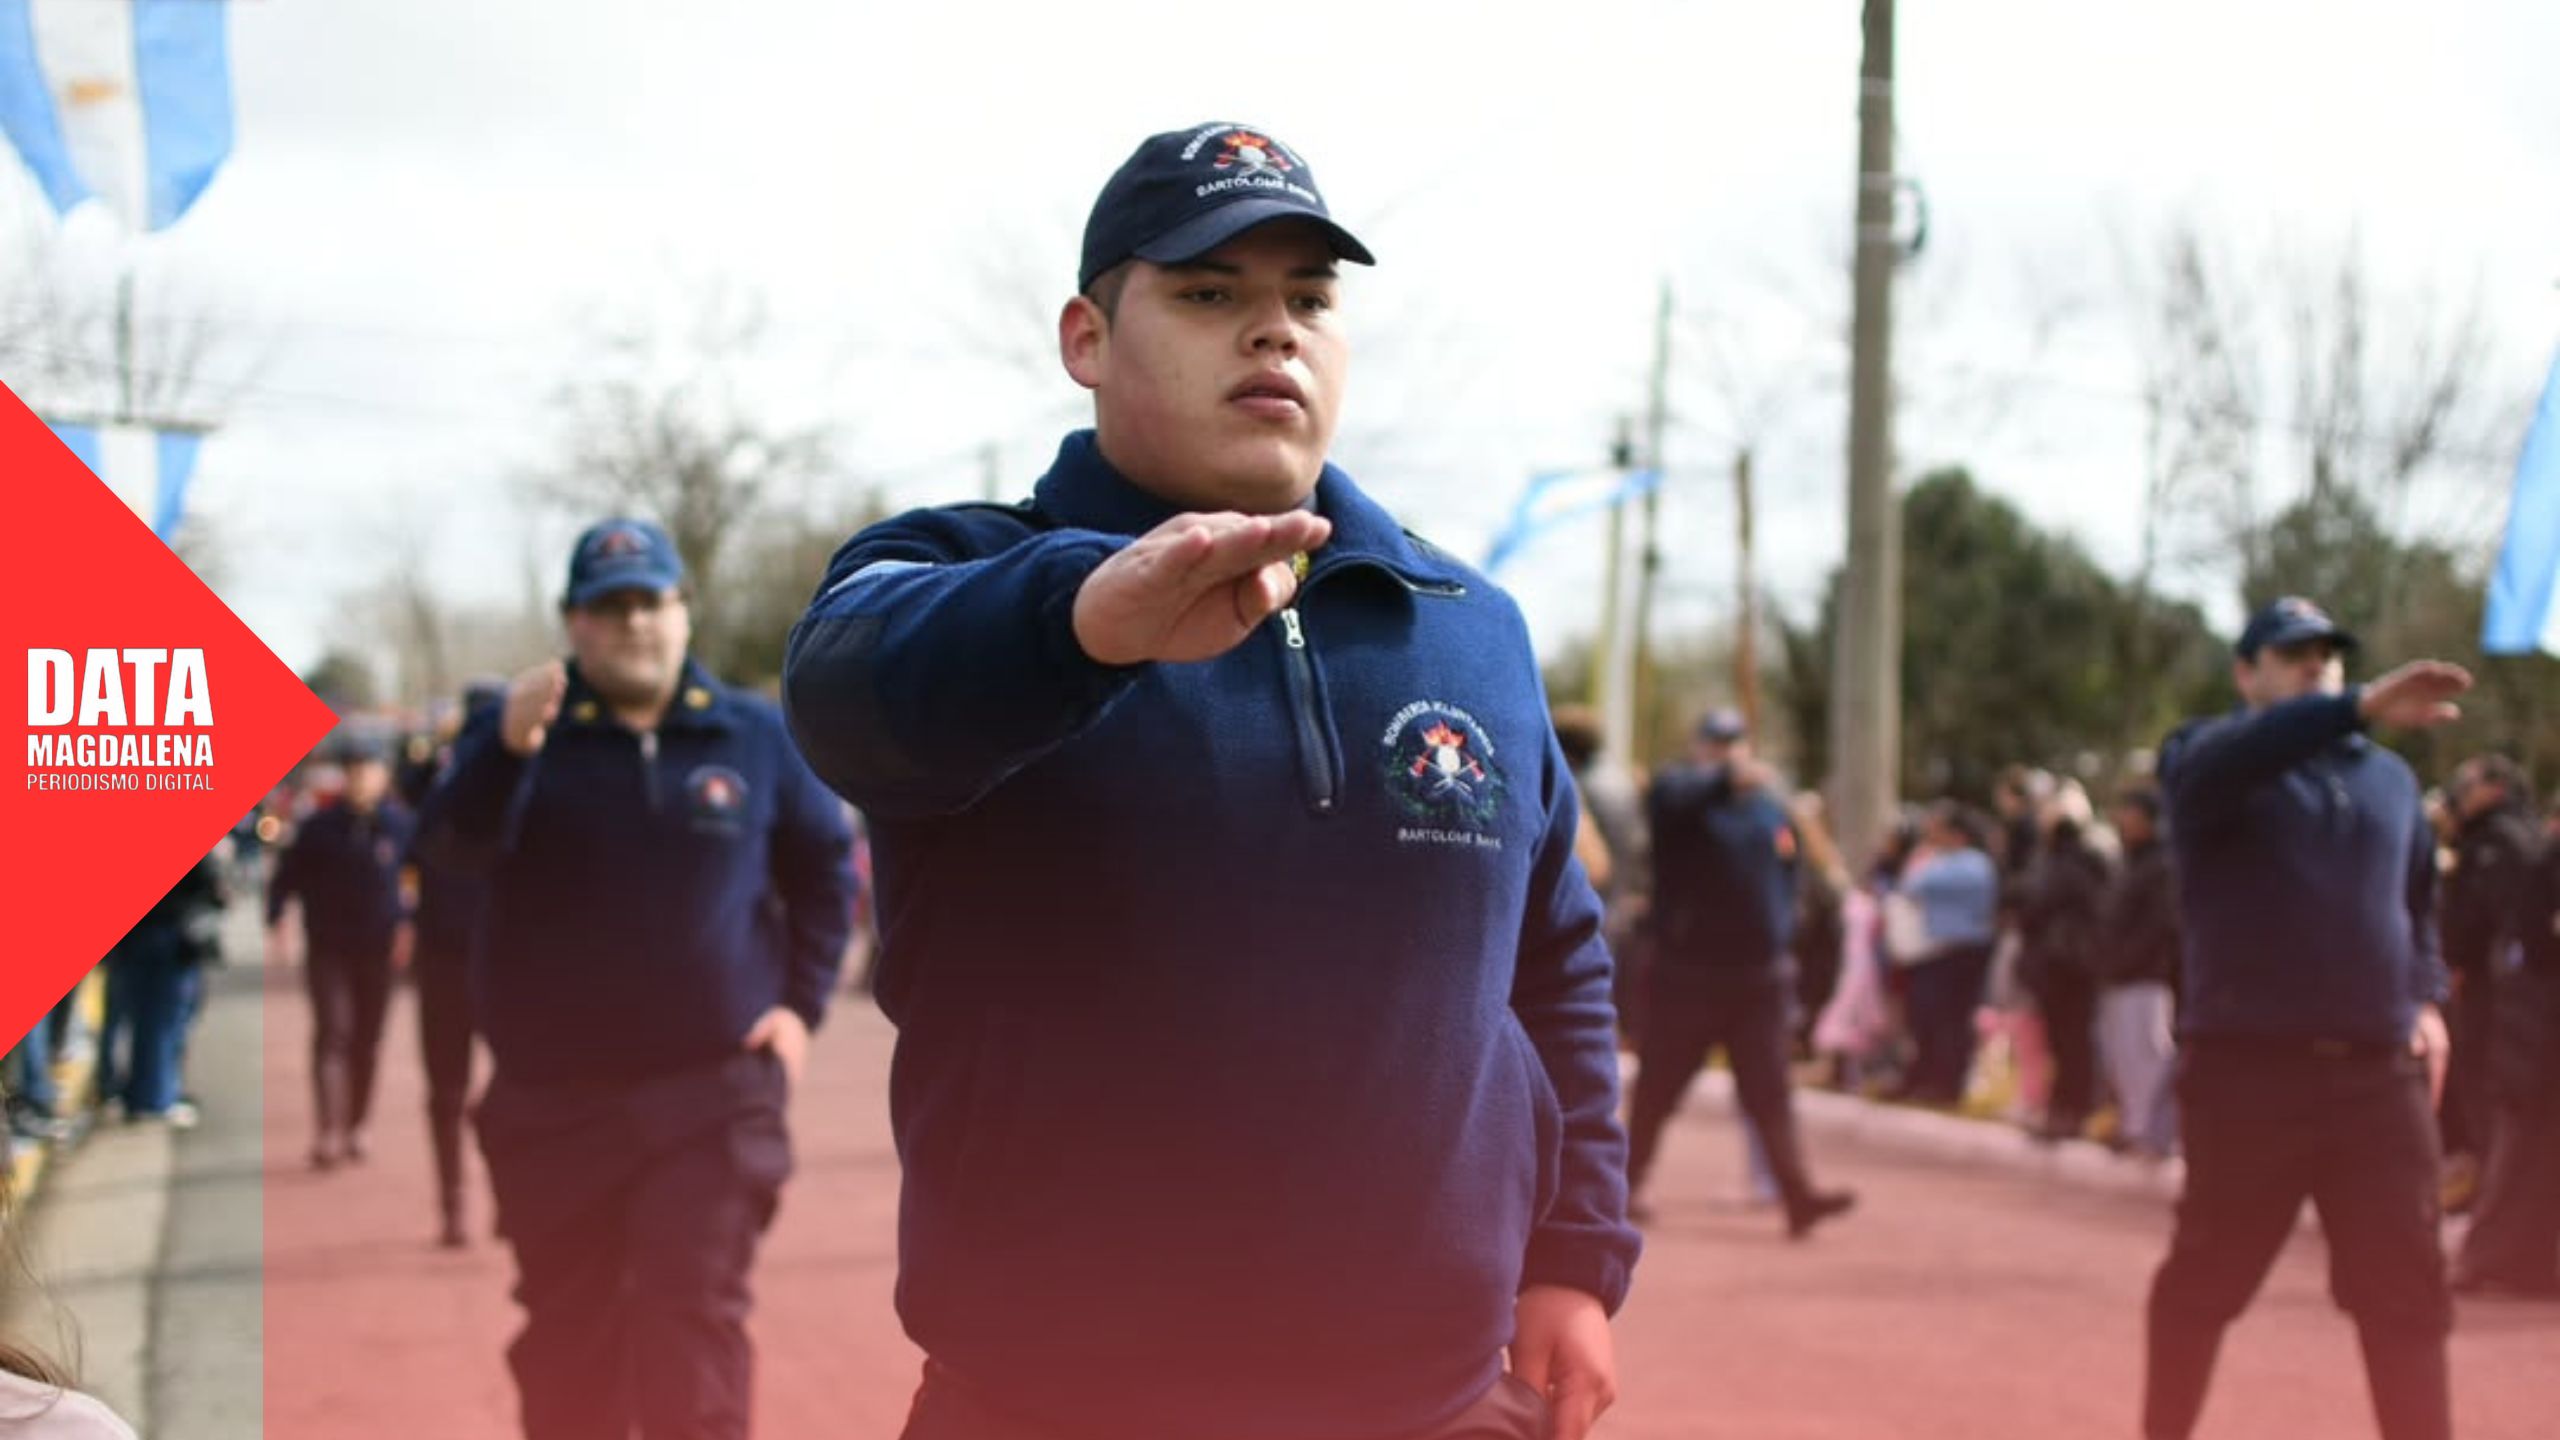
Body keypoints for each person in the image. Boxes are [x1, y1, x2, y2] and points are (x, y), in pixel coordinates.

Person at [781, 122, 1640, 1440]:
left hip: (1435, 1400)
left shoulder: (1468, 622)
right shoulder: (962, 574)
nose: (1273, 332)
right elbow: (846, 691)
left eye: (1308, 298)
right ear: (1087, 338)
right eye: (1208, 294)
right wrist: (1080, 618)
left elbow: (1553, 963)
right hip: (1059, 1402)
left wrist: (1573, 1258)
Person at [415, 518, 854, 1440]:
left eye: (651, 602)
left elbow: (823, 871)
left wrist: (799, 1010)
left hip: (714, 1093)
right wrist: (504, 752)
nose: (635, 625)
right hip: (552, 1108)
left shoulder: (754, 733)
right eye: (609, 608)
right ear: (574, 623)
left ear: (683, 610)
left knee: (691, 1320)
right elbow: (446, 857)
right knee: (571, 1342)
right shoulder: (521, 737)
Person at [2143, 596, 2468, 1440]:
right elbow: (2234, 757)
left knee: (2408, 1290)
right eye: (2293, 656)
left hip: (2375, 1078)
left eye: (2327, 654)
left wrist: (2425, 995)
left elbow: (2419, 906)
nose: (2316, 664)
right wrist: (2352, 708)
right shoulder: (2207, 762)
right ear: (2247, 674)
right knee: (2206, 1278)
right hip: (2248, 1074)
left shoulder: (2389, 782)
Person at [1624, 709, 1855, 1237]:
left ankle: (1798, 1196)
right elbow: (1671, 803)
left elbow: (1789, 873)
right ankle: (1623, 1187)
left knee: (1769, 1092)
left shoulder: (1769, 809)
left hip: (1760, 977)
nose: (1728, 750)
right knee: (1659, 1088)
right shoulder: (1678, 795)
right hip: (1689, 973)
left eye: (1735, 742)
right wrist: (1725, 777)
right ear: (1700, 745)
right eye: (1717, 742)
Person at [267, 738, 414, 1168]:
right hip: (329, 945)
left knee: (367, 1038)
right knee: (333, 1031)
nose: (360, 780)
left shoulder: (399, 825)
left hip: (379, 947)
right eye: (352, 770)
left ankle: (357, 1124)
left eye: (368, 770)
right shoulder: (319, 827)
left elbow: (424, 873)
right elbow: (288, 876)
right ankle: (328, 1128)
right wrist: (277, 916)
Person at [400, 682, 505, 1247]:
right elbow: (408, 793)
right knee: (456, 1090)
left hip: (502, 958)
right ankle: (457, 1203)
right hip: (449, 956)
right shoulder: (444, 783)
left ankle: (471, 1201)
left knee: (491, 1089)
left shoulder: (525, 776)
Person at [2450, 791, 2560, 1298]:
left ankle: (2517, 1262)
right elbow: (2532, 939)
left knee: (2524, 1151)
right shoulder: (2542, 860)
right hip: (2535, 1029)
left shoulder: (2520, 852)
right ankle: (2490, 1259)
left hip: (2526, 1024)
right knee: (2518, 1149)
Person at [2436, 753, 2538, 1201]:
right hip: (2506, 998)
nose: (2460, 790)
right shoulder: (2506, 837)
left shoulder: (2499, 843)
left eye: (2470, 782)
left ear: (2496, 789)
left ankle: (2497, 1214)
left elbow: (2480, 926)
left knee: (2487, 1098)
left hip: (2496, 1000)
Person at [100, 848, 230, 1128]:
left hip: (136, 939)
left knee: (142, 1020)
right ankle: (156, 1098)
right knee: (164, 1022)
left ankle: (140, 1094)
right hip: (170, 936)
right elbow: (210, 883)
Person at [1885, 803, 2001, 1105]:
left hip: (1960, 952)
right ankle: (1923, 1078)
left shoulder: (1973, 863)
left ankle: (1947, 1084)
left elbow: (1916, 884)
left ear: (1957, 834)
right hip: (1934, 952)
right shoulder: (1943, 861)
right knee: (1926, 1019)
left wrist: (1925, 857)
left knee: (1950, 1021)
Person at [2092, 782, 2182, 1159]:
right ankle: (2133, 1125)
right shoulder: (2129, 860)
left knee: (2148, 1052)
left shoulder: (2162, 862)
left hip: (2147, 974)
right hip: (2119, 972)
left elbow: (2161, 923)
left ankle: (2151, 1132)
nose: (2123, 821)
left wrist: (2132, 959)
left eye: (2132, 814)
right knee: (2120, 1054)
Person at [2015, 802, 2113, 1140]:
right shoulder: (2094, 865)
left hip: (2064, 968)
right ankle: (2068, 1109)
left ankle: (2069, 1111)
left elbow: (2033, 908)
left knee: (2069, 1043)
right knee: (2073, 1042)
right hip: (2077, 967)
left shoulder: (2061, 867)